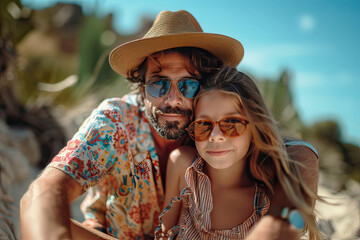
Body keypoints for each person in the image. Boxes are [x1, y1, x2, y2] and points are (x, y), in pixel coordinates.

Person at [20, 10, 319, 240]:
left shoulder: (214, 131)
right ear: (141, 86)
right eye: (158, 84)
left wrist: (277, 223)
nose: (173, 100)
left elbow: (299, 154)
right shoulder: (115, 122)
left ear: (206, 86)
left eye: (188, 85)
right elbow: (43, 193)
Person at [156, 66, 321, 239]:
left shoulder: (267, 196)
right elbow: (165, 234)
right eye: (203, 124)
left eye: (232, 122)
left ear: (254, 129)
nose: (215, 136)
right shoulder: (183, 167)